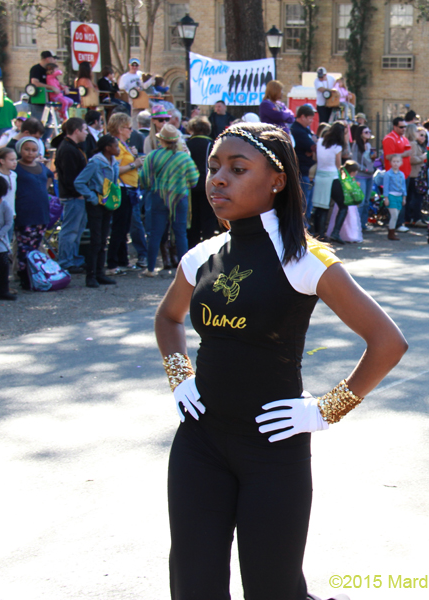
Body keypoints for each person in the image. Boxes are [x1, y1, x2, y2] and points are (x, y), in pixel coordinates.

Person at [154, 121, 407, 600]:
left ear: (277, 180)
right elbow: (168, 319)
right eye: (213, 167)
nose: (218, 179)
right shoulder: (203, 256)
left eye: (237, 169)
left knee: (272, 589)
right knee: (193, 584)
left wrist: (325, 410)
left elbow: (387, 342)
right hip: (199, 444)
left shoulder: (306, 259)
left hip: (272, 451)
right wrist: (179, 377)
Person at [139, 124, 198, 277]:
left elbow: (143, 179)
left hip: (158, 196)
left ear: (161, 140)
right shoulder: (184, 157)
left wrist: (152, 186)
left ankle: (150, 269)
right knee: (180, 233)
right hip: (179, 197)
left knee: (155, 233)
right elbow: (194, 180)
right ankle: (184, 272)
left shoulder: (152, 156)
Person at [74, 135, 121, 288]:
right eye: (116, 146)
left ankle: (100, 273)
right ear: (107, 148)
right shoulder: (95, 162)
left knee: (103, 239)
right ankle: (91, 275)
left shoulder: (113, 162)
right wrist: (92, 197)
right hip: (96, 204)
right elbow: (79, 182)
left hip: (107, 203)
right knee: (95, 239)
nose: (118, 149)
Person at [105, 112, 145, 275]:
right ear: (120, 128)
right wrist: (134, 164)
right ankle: (112, 263)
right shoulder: (116, 146)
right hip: (122, 188)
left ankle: (122, 260)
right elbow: (115, 169)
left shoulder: (123, 144)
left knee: (124, 227)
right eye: (129, 128)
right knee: (119, 227)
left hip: (129, 188)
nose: (131, 131)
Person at [13, 137, 54, 290]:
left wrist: (44, 189)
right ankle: (24, 277)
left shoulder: (41, 166)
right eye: (27, 149)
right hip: (25, 211)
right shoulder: (16, 167)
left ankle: (37, 275)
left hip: (41, 211)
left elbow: (50, 175)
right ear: (20, 150)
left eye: (34, 150)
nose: (30, 153)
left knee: (36, 245)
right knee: (24, 247)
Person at [54, 118, 90, 274]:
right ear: (76, 131)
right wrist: (79, 193)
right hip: (73, 197)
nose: (87, 133)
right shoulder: (68, 149)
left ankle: (73, 258)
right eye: (85, 130)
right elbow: (70, 177)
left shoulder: (72, 147)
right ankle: (66, 261)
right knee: (70, 230)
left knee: (77, 230)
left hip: (76, 196)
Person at [185, 116, 218, 246]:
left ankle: (193, 247)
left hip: (190, 186)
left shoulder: (187, 145)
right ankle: (208, 247)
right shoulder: (212, 145)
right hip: (207, 186)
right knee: (208, 220)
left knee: (193, 220)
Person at [311, 121, 346, 240]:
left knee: (321, 206)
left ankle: (319, 234)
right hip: (332, 177)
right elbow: (338, 164)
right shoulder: (337, 146)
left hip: (320, 176)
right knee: (343, 205)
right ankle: (335, 232)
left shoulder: (320, 142)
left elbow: (315, 158)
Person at [291, 104, 317, 224]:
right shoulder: (297, 131)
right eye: (310, 118)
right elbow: (313, 146)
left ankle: (305, 226)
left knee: (308, 203)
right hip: (301, 171)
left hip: (308, 171)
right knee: (303, 203)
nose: (311, 121)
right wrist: (312, 149)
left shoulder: (305, 130)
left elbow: (314, 145)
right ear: (302, 116)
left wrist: (312, 149)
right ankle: (303, 227)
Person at [350, 125, 376, 228]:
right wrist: (365, 169)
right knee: (361, 201)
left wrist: (373, 159)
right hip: (361, 176)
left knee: (366, 201)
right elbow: (354, 161)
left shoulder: (369, 145)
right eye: (366, 132)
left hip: (370, 176)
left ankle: (363, 224)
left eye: (369, 131)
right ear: (360, 134)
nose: (368, 133)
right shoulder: (356, 145)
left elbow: (370, 160)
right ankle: (356, 225)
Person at [402, 124, 427, 230]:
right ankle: (415, 219)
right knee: (416, 198)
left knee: (411, 198)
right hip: (414, 174)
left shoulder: (412, 143)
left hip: (413, 173)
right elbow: (412, 159)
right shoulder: (412, 143)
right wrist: (423, 157)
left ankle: (410, 218)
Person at [382, 154, 406, 241]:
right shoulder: (388, 174)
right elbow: (386, 186)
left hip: (399, 196)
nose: (396, 163)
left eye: (397, 161)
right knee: (394, 215)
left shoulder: (401, 174)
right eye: (394, 161)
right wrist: (386, 198)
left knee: (397, 215)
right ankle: (391, 233)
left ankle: (392, 231)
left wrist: (404, 197)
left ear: (401, 163)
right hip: (391, 196)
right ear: (390, 162)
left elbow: (403, 187)